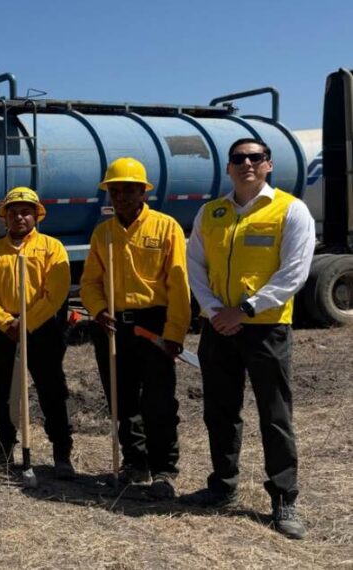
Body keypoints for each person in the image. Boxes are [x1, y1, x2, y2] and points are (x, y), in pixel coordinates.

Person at [184, 138, 314, 539]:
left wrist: (245, 310)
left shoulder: (290, 209)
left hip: (266, 328)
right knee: (219, 412)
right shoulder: (212, 212)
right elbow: (195, 267)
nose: (247, 164)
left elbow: (294, 272)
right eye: (238, 159)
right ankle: (222, 487)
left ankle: (284, 499)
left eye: (255, 158)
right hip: (218, 328)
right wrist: (213, 312)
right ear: (228, 168)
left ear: (268, 165)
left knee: (274, 415)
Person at [80, 158, 190, 498]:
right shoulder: (104, 233)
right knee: (122, 400)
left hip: (154, 324)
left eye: (129, 189)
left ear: (144, 192)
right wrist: (98, 311)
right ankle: (135, 463)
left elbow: (179, 286)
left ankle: (163, 469)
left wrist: (174, 334)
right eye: (115, 190)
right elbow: (89, 284)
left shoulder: (166, 227)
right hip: (114, 326)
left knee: (159, 401)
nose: (121, 196)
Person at [0, 187, 75, 477]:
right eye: (13, 212)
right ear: (4, 217)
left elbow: (55, 292)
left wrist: (27, 323)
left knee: (52, 390)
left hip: (42, 329)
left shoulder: (51, 248)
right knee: (4, 391)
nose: (19, 217)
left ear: (36, 215)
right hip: (5, 331)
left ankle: (61, 454)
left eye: (25, 212)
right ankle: (4, 448)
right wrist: (6, 322)